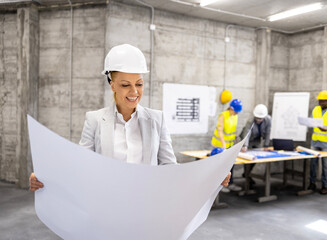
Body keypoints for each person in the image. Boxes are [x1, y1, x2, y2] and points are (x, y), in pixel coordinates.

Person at [30, 44, 231, 191]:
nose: (134, 91)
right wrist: (47, 178)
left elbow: (170, 168)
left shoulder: (156, 120)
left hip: (146, 203)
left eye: (139, 83)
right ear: (112, 84)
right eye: (126, 84)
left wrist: (211, 177)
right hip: (106, 202)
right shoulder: (94, 120)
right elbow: (81, 165)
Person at [211, 99, 243, 193]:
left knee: (230, 165)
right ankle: (219, 185)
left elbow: (232, 131)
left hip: (229, 145)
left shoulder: (235, 116)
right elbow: (220, 130)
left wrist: (236, 139)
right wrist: (223, 144)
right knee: (220, 166)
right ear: (231, 108)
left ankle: (230, 183)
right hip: (219, 146)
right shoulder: (223, 115)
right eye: (236, 111)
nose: (237, 113)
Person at [239, 104, 272, 188]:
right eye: (257, 118)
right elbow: (247, 134)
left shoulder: (268, 120)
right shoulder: (250, 121)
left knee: (255, 158)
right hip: (248, 139)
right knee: (247, 159)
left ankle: (247, 174)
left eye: (260, 118)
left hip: (257, 140)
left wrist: (266, 145)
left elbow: (268, 132)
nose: (258, 120)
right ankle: (247, 176)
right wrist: (245, 145)